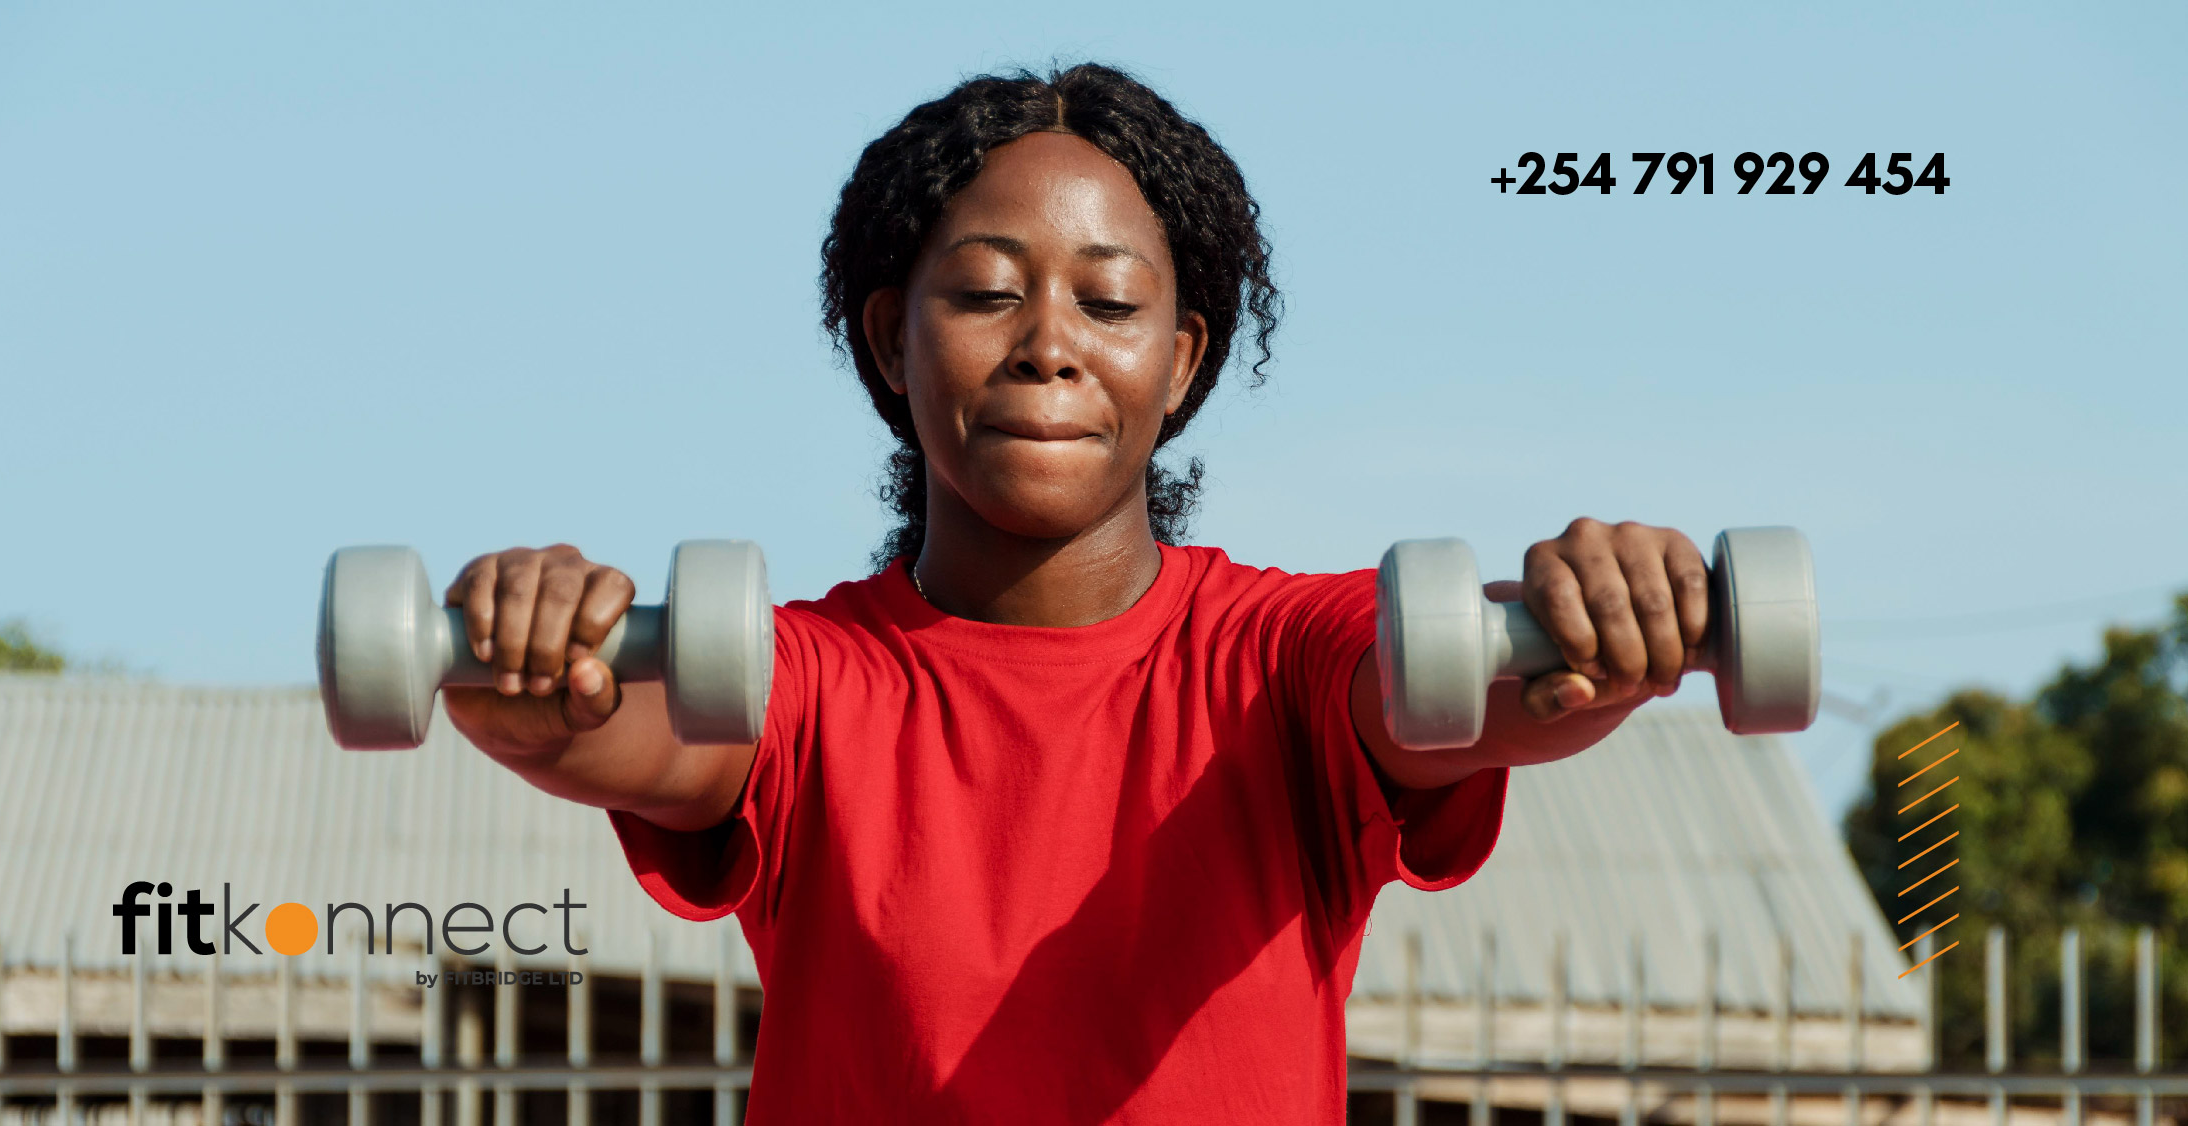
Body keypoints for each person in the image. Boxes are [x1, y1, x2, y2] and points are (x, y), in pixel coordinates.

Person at [442, 63, 1715, 1125]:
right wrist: (543, 686)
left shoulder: (1279, 656)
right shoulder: (810, 679)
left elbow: (1450, 690)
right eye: (988, 291)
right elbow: (649, 733)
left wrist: (1610, 624)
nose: (1048, 342)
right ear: (891, 337)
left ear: (1180, 359)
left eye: (1108, 301)